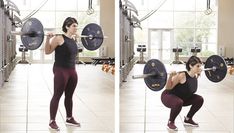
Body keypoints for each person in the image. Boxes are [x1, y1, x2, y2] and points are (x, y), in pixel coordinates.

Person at [45, 17, 80, 131]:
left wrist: (78, 40)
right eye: (74, 26)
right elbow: (47, 51)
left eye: (76, 25)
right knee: (57, 95)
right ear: (67, 27)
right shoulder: (59, 38)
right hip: (61, 70)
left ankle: (69, 118)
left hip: (72, 70)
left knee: (69, 96)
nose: (76, 28)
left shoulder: (73, 39)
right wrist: (47, 39)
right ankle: (52, 121)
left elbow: (76, 53)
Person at [161, 56, 204, 131]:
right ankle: (171, 122)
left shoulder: (195, 76)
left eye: (200, 66)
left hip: (182, 98)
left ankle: (188, 119)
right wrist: (170, 76)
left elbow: (190, 91)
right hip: (168, 96)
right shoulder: (182, 75)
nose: (200, 68)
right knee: (178, 102)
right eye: (198, 66)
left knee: (199, 99)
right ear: (191, 65)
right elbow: (168, 88)